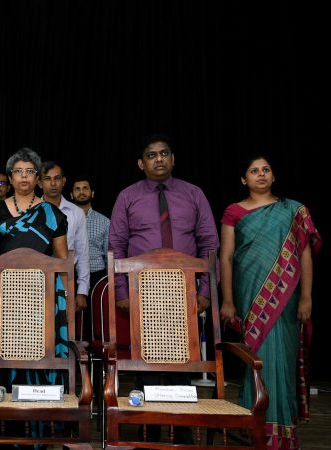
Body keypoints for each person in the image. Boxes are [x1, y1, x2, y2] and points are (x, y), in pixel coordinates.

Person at [108, 134, 219, 444]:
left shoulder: (193, 194)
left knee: (182, 362)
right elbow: (115, 246)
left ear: (173, 159)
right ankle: (149, 430)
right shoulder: (127, 197)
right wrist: (121, 293)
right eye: (151, 155)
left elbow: (209, 244)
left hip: (184, 291)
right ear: (140, 163)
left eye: (164, 153)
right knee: (147, 365)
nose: (159, 159)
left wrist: (206, 291)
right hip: (142, 291)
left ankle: (181, 431)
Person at [219, 155, 321, 449]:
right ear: (244, 179)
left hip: (287, 300)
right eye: (253, 171)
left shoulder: (293, 211)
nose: (261, 174)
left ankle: (281, 430)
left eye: (266, 170)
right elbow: (226, 257)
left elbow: (304, 254)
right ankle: (253, 424)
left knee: (282, 361)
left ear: (274, 176)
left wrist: (306, 297)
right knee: (257, 359)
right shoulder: (233, 211)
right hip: (250, 296)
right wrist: (228, 300)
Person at [0, 148, 69, 443]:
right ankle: (10, 433)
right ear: (10, 177)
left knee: (41, 360)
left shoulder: (53, 214)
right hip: (7, 300)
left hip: (44, 301)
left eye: (30, 171)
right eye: (18, 171)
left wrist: (63, 306)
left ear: (38, 178)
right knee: (9, 360)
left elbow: (62, 261)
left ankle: (42, 432)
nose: (24, 177)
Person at [38, 161, 89, 311]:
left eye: (57, 178)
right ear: (39, 183)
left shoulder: (76, 213)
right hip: (36, 279)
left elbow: (82, 253)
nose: (53, 183)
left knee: (65, 322)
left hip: (67, 277)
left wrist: (82, 291)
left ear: (64, 181)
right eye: (47, 179)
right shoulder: (31, 211)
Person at [70, 176, 110, 289]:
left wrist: (110, 281)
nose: (81, 192)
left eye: (85, 188)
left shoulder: (105, 222)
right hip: (70, 276)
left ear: (92, 193)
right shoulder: (64, 219)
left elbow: (109, 255)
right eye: (77, 189)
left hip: (97, 277)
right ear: (71, 195)